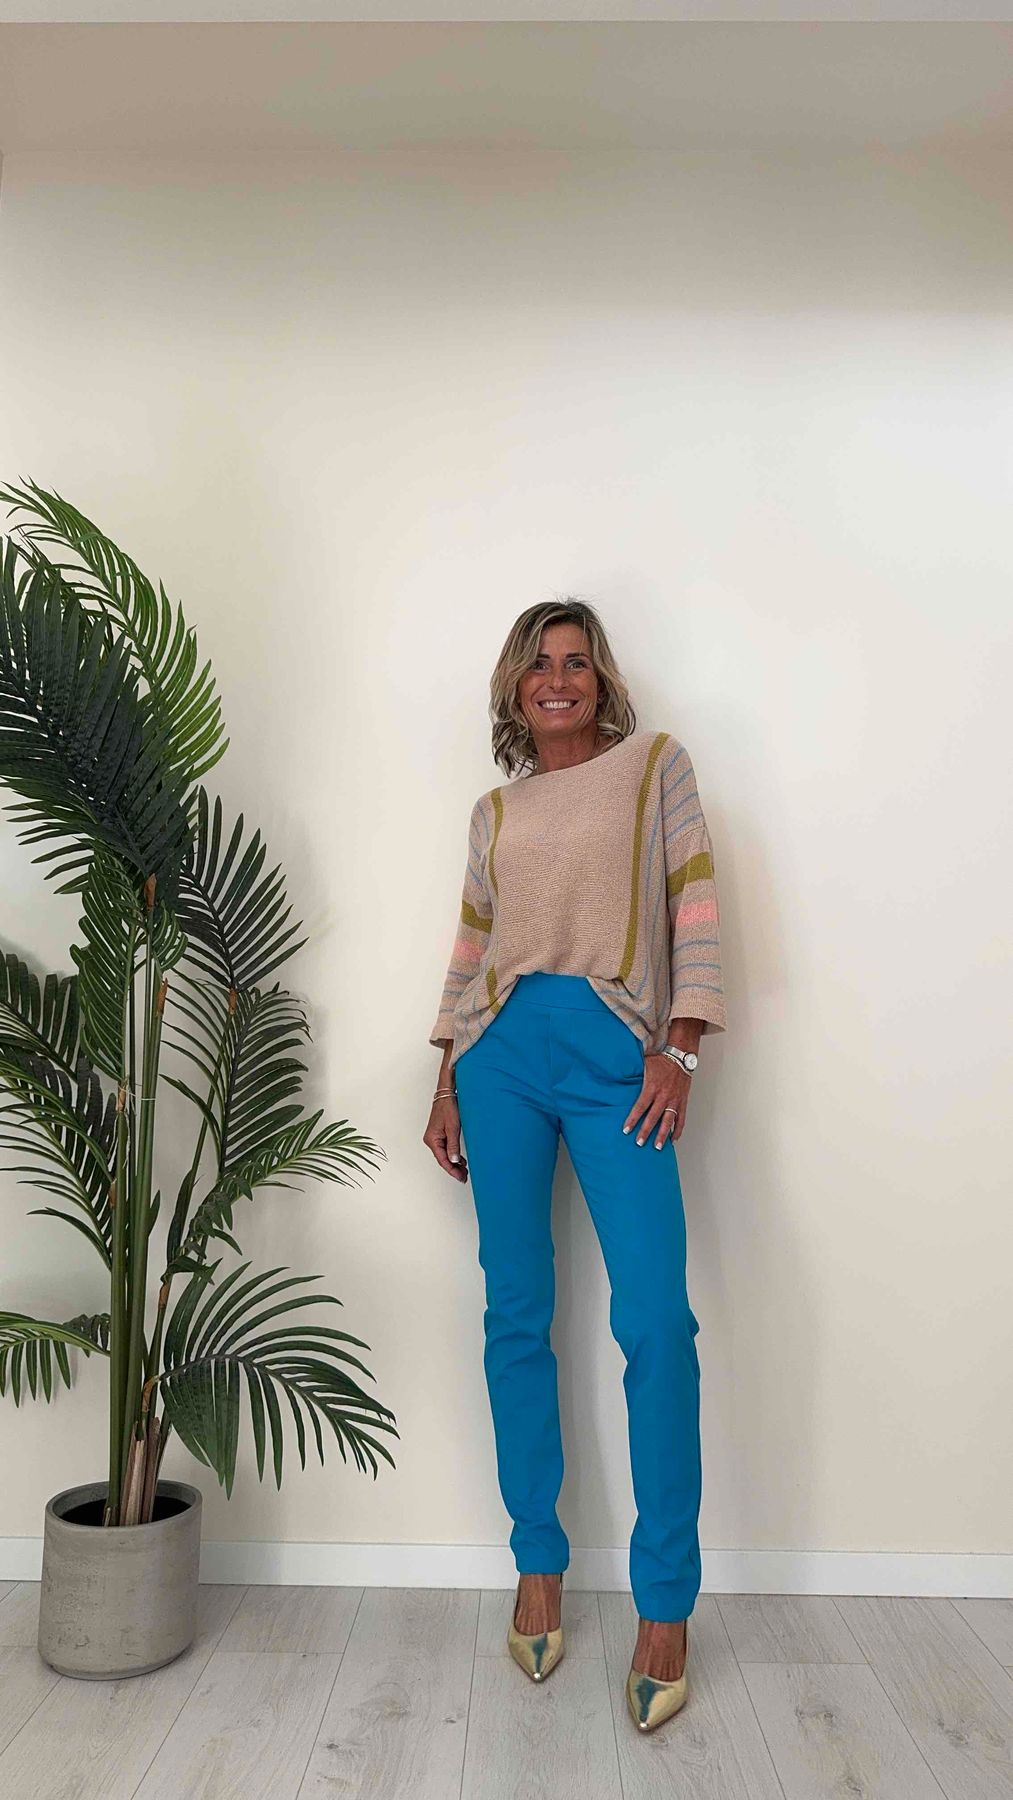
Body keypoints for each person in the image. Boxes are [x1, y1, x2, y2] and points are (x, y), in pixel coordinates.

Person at [423, 598, 726, 1732]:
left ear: (601, 682)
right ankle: (537, 1564)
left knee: (655, 1322)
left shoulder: (654, 767)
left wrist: (679, 1050)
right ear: (516, 687)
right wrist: (445, 1076)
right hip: (499, 1057)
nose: (557, 679)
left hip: (615, 1055)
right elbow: (470, 947)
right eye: (539, 664)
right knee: (514, 1312)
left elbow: (695, 904)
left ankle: (665, 1603)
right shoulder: (494, 810)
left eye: (576, 663)